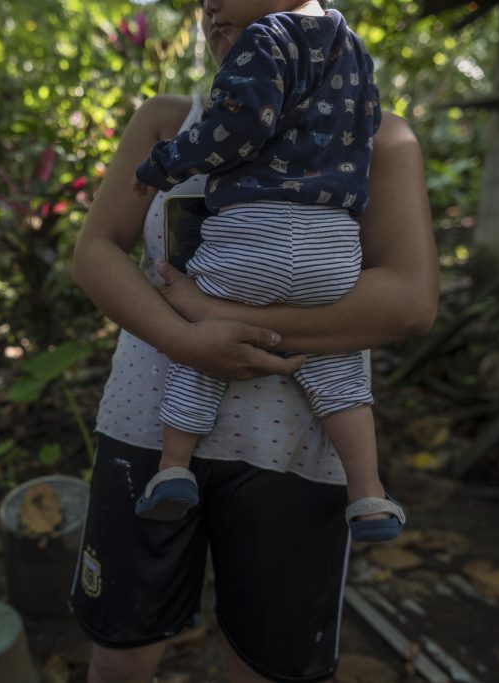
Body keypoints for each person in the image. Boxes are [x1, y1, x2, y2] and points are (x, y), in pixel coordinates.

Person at [69, 1, 438, 681]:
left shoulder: (381, 139)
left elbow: (409, 300)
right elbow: (95, 251)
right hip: (147, 428)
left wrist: (210, 319)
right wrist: (185, 340)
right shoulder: (165, 120)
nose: (210, 10)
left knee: (272, 662)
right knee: (119, 645)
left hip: (296, 450)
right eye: (204, 5)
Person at [129, 0, 402, 543]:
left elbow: (239, 126)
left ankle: (172, 469)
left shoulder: (266, 36)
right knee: (338, 368)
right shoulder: (352, 47)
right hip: (332, 242)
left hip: (255, 230)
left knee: (203, 347)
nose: (210, 5)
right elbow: (367, 122)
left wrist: (163, 163)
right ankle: (367, 494)